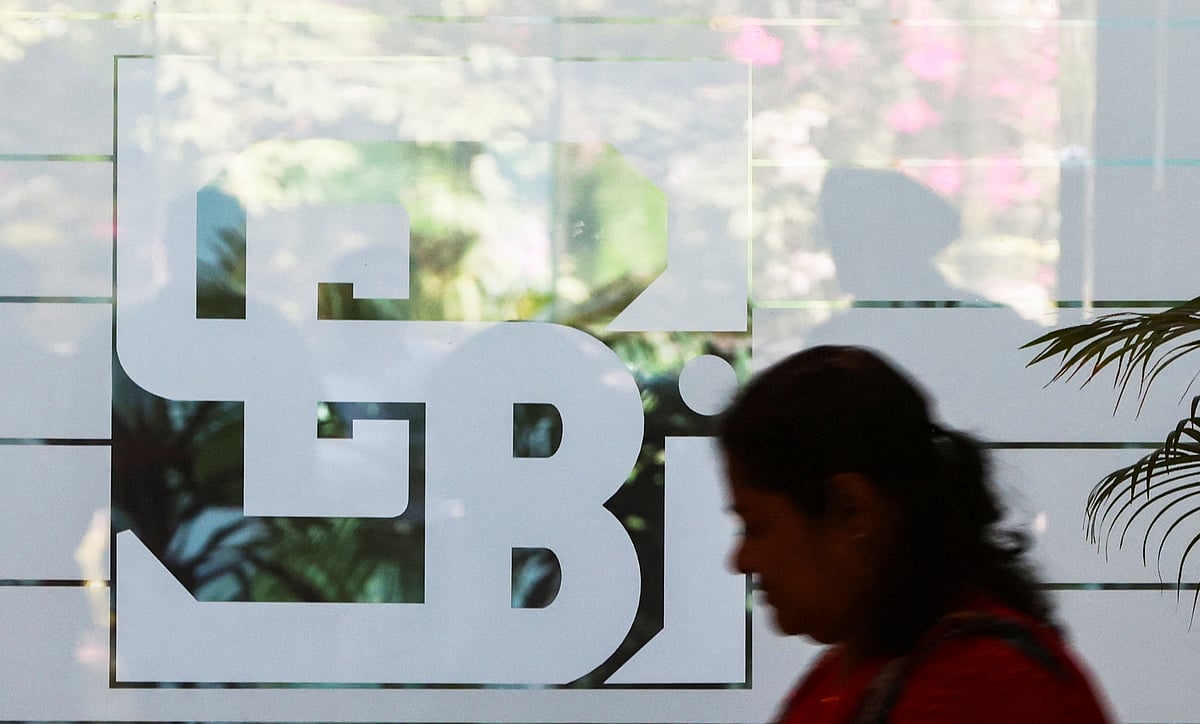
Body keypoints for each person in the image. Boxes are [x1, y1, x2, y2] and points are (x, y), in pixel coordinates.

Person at [717, 345, 1112, 723]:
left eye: (757, 526)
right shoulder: (855, 668)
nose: (740, 560)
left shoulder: (983, 689)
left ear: (851, 509)